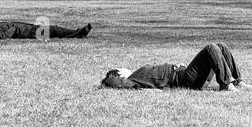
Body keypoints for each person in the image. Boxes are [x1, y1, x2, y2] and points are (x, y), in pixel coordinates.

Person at [101, 42, 244, 91]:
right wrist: (108, 79)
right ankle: (226, 84)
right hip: (185, 80)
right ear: (120, 72)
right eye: (121, 68)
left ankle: (237, 81)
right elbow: (112, 82)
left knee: (221, 47)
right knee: (211, 48)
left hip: (185, 74)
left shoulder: (138, 75)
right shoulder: (133, 78)